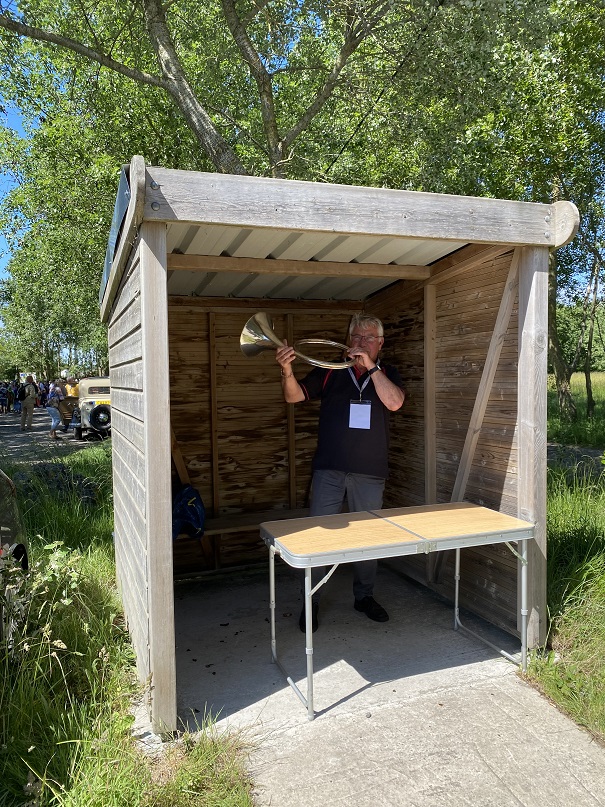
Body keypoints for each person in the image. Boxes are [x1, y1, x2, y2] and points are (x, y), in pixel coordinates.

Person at [276, 313, 405, 632]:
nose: (361, 343)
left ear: (380, 343)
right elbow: (293, 396)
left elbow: (394, 403)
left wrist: (371, 368)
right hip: (329, 470)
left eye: (368, 338)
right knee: (318, 536)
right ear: (348, 341)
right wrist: (287, 370)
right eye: (356, 337)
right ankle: (312, 600)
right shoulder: (330, 370)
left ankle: (364, 597)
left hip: (370, 473)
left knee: (369, 538)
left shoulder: (388, 373)